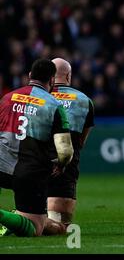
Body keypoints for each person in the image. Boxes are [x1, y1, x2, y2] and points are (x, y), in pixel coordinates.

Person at [0, 59, 73, 237]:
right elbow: (65, 151)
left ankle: (11, 221)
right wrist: (61, 164)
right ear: (52, 81)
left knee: (43, 225)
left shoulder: (7, 98)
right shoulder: (54, 105)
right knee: (35, 228)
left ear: (30, 76)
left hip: (1, 167)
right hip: (29, 173)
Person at [46, 58, 95, 226]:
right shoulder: (84, 100)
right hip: (65, 164)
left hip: (34, 161)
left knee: (34, 215)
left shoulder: (36, 96)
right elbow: (81, 141)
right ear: (68, 76)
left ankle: (20, 218)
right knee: (61, 224)